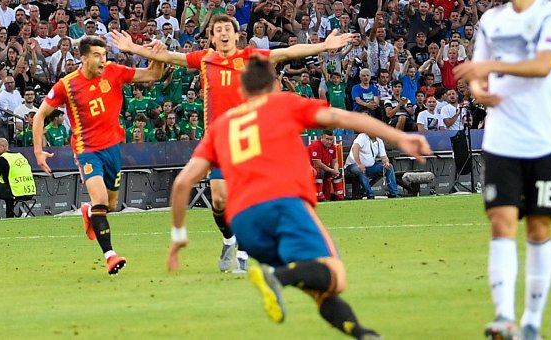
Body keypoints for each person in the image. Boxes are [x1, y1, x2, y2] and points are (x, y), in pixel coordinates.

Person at [166, 56, 431, 339]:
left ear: (241, 92)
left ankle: (363, 333)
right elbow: (342, 117)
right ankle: (276, 278)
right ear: (276, 85)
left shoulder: (222, 126)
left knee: (317, 287)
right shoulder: (283, 103)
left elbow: (182, 183)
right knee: (334, 275)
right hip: (283, 206)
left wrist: (179, 234)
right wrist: (399, 138)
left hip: (244, 222)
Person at [111, 14, 354, 273]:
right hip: (217, 143)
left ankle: (243, 252)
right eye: (219, 30)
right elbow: (170, 57)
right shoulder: (205, 59)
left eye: (228, 28)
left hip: (247, 141)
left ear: (236, 35)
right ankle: (229, 240)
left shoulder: (249, 56)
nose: (224, 33)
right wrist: (133, 48)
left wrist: (324, 46)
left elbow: (287, 51)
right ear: (212, 38)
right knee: (218, 201)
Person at [453, 0, 551, 339]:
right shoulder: (491, 20)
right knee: (501, 222)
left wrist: (488, 65)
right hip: (502, 139)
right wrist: (480, 91)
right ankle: (504, 317)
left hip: (545, 139)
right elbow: (478, 77)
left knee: (538, 228)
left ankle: (532, 321)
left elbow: (544, 64)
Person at [33, 36, 165, 276]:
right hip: (87, 151)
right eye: (96, 55)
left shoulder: (114, 72)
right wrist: (38, 151)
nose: (103, 60)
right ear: (83, 58)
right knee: (102, 201)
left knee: (110, 206)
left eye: (104, 55)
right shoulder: (67, 85)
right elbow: (39, 115)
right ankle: (110, 256)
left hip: (113, 149)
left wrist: (156, 53)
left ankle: (88, 212)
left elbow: (153, 75)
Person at [0, 138, 36, 219]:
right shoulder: (19, 155)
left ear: (4, 146)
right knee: (7, 185)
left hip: (16, 192)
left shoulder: (3, 158)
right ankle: (10, 216)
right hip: (29, 192)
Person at [345, 132, 400, 199]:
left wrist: (386, 162)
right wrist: (359, 164)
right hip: (353, 166)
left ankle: (393, 193)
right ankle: (370, 194)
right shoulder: (362, 136)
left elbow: (384, 157)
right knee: (359, 170)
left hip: (370, 167)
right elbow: (355, 148)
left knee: (389, 167)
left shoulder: (379, 141)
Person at [308, 129, 344, 201]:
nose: (329, 142)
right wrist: (331, 170)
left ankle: (340, 197)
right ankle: (319, 196)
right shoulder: (315, 145)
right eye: (327, 139)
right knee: (319, 172)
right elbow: (317, 163)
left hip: (324, 168)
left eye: (331, 139)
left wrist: (335, 169)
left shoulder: (332, 147)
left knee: (338, 173)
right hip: (310, 169)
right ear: (322, 137)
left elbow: (334, 161)